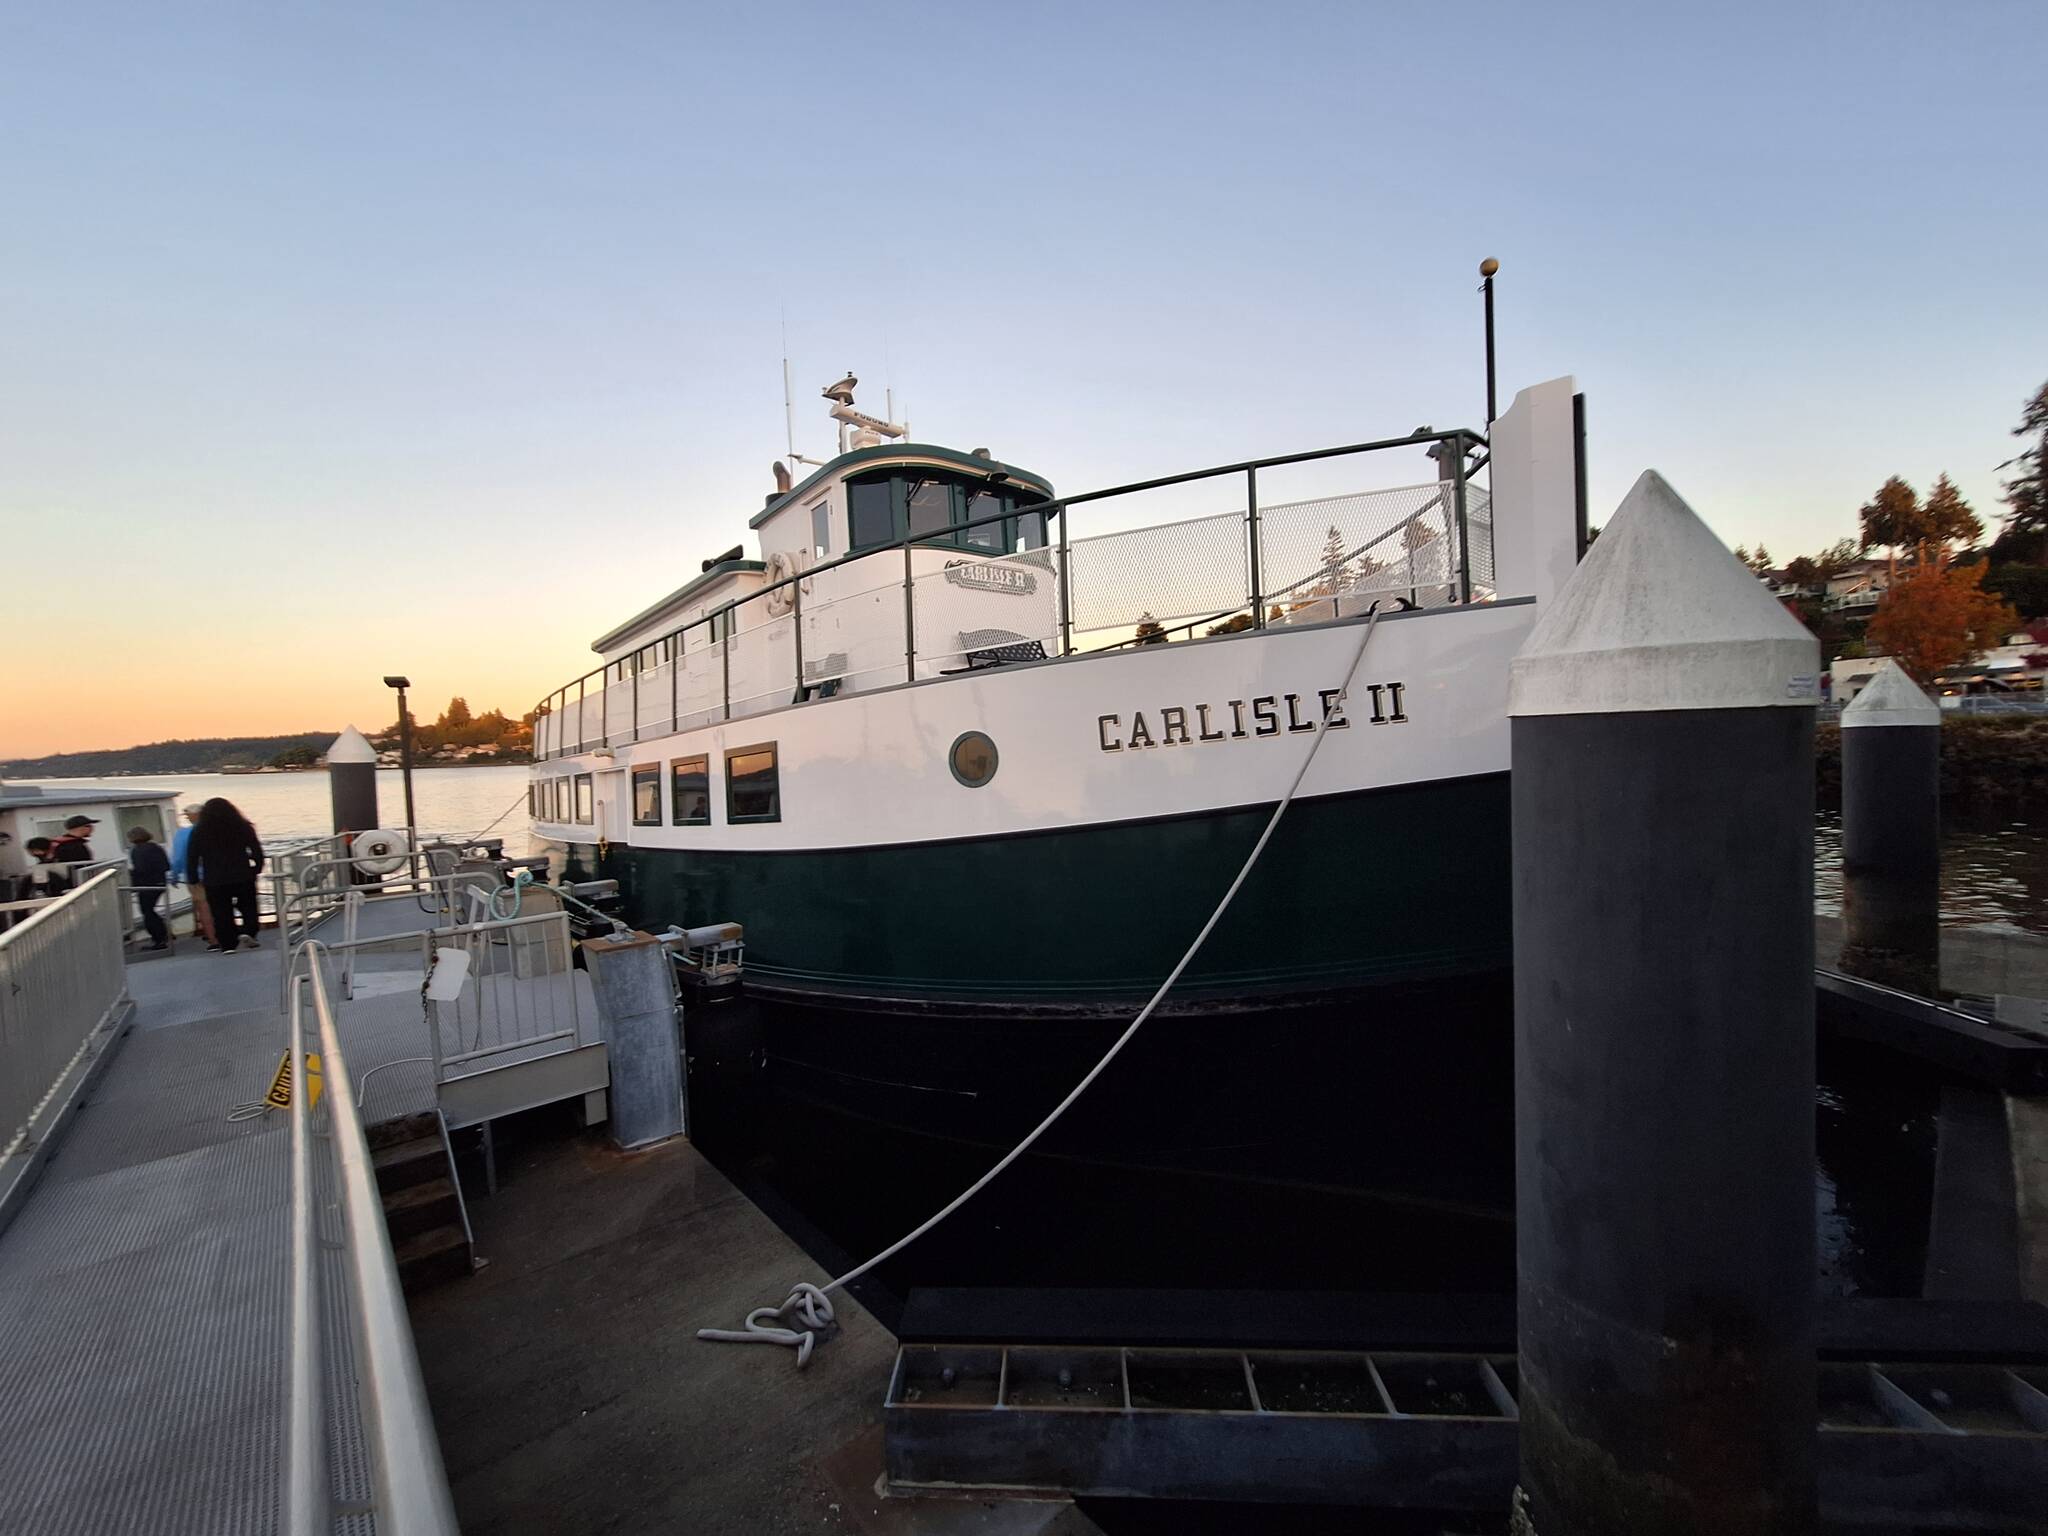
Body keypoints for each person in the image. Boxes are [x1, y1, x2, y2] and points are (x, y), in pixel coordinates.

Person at [184, 798, 265, 954]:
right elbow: (256, 850)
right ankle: (249, 931)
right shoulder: (243, 827)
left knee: (221, 911)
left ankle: (228, 944)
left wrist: (192, 876)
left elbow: (192, 855)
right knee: (248, 906)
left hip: (214, 877)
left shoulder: (200, 830)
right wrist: (257, 868)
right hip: (242, 873)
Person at [169, 803, 215, 947]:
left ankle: (213, 939)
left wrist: (174, 875)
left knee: (203, 906)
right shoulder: (215, 830)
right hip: (217, 874)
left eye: (188, 814)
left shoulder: (183, 834)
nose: (187, 817)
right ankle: (227, 933)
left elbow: (178, 858)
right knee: (220, 905)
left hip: (195, 876)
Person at [126, 826, 172, 950]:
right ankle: (164, 934)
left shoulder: (136, 850)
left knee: (146, 911)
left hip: (146, 885)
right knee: (150, 910)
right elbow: (166, 866)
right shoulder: (157, 847)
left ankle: (158, 938)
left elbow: (140, 869)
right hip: (159, 882)